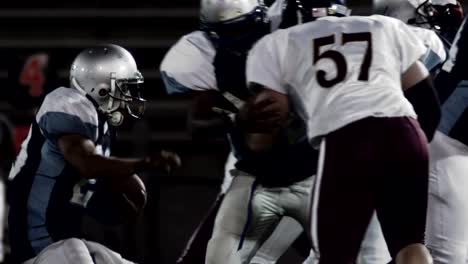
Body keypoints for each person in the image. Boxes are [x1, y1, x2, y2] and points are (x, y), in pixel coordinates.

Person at [161, 0, 391, 263]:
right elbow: (198, 125)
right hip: (259, 176)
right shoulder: (214, 56)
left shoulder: (311, 36)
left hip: (324, 170)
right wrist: (239, 119)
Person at [241, 0, 442, 262]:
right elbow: (429, 107)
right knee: (410, 242)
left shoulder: (277, 43)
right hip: (405, 131)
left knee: (335, 254)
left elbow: (262, 136)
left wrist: (244, 124)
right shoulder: (383, 25)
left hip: (347, 139)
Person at [7, 44, 181, 264]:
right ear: (101, 89)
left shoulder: (100, 127)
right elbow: (86, 163)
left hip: (62, 243)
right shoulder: (68, 104)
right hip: (35, 246)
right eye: (123, 88)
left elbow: (91, 187)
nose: (128, 96)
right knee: (75, 250)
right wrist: (145, 163)